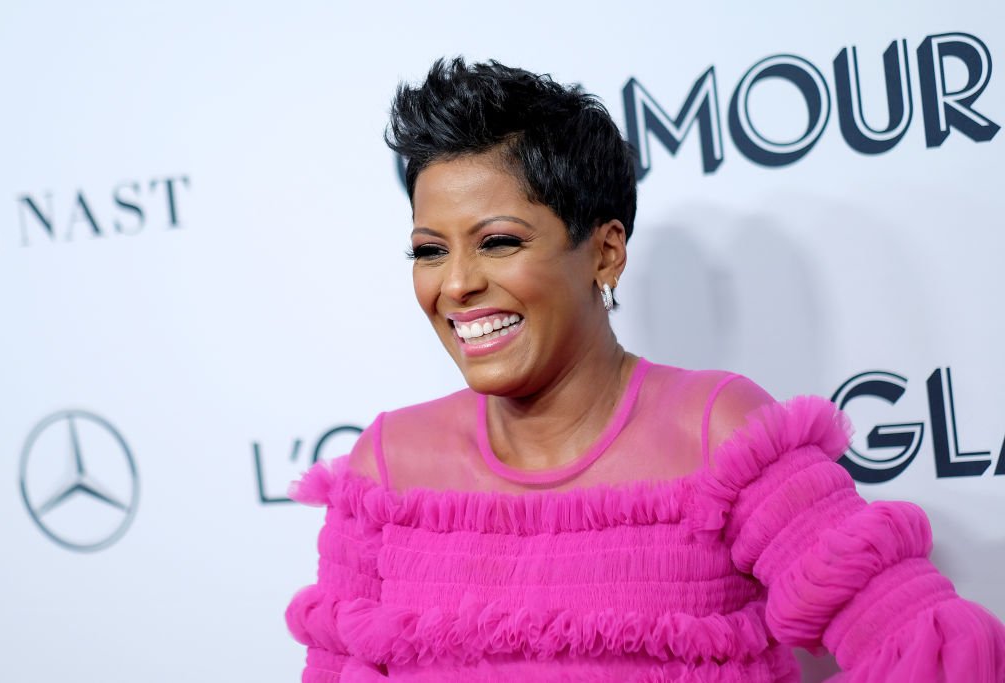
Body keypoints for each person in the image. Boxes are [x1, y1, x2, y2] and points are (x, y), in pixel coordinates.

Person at [285, 58, 1005, 682]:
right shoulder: (386, 469)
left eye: (498, 242)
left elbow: (924, 644)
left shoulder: (719, 431)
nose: (457, 284)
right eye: (429, 250)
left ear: (604, 251)